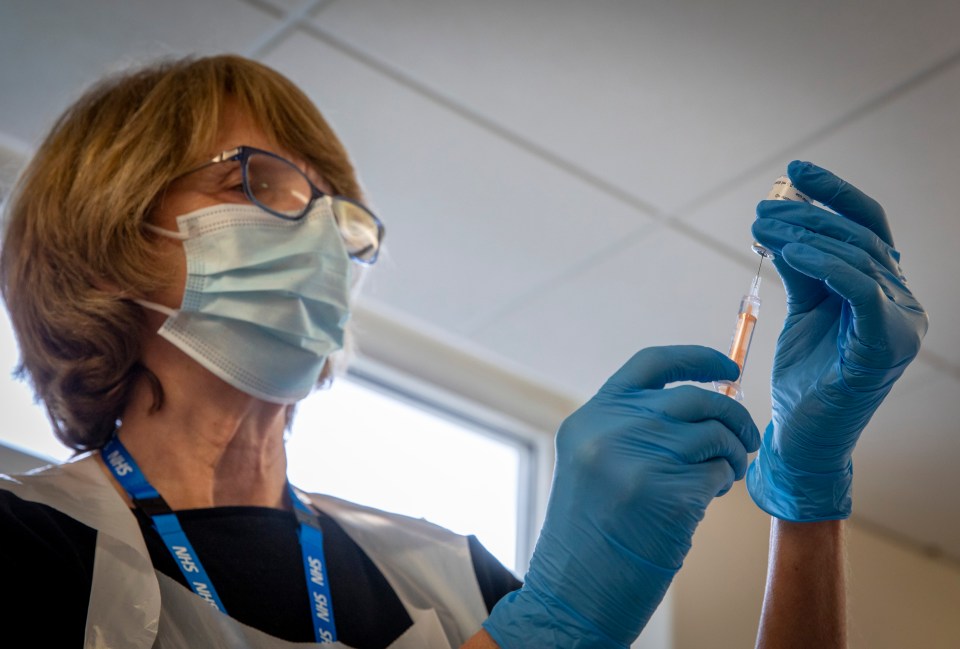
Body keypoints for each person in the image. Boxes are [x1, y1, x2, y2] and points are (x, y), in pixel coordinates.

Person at [0, 54, 926, 649]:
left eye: (340, 215)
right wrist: (544, 635)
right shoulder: (29, 548)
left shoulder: (448, 578)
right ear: (112, 228)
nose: (320, 235)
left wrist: (805, 495)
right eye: (265, 180)